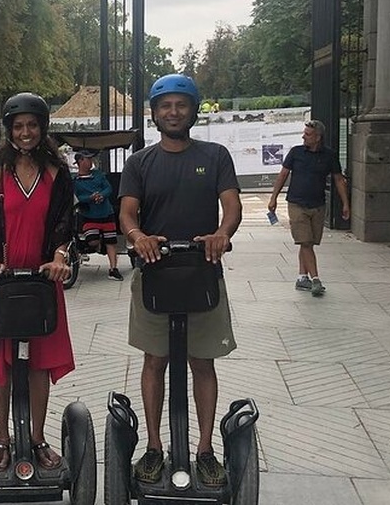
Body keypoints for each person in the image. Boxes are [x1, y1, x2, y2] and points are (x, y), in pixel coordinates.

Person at [118, 74, 242, 487]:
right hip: (155, 275)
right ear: (154, 114)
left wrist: (223, 233)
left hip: (202, 272)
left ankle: (205, 450)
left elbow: (231, 206)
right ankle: (154, 447)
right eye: (165, 106)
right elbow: (128, 213)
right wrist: (137, 237)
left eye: (181, 105)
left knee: (202, 363)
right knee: (154, 362)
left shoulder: (216, 154)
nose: (173, 112)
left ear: (193, 110)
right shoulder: (139, 162)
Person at [0, 92, 75, 471]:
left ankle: (36, 438)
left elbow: (64, 222)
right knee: (1, 362)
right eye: (19, 126)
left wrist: (60, 257)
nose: (26, 132)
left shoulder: (56, 172)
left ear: (42, 128)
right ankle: (1, 436)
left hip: (42, 279)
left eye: (32, 125)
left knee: (39, 363)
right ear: (9, 129)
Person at [267, 119, 350, 297]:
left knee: (309, 244)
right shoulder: (296, 152)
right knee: (305, 242)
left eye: (308, 134)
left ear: (318, 137)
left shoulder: (330, 155)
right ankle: (316, 279)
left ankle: (302, 277)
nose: (303, 136)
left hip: (318, 205)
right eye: (304, 133)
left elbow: (338, 179)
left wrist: (345, 203)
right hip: (297, 203)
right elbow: (283, 175)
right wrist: (274, 197)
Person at [73, 150, 123, 280]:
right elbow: (76, 197)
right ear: (80, 162)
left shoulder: (98, 175)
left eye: (91, 159)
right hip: (89, 215)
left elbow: (108, 188)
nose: (91, 162)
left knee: (111, 242)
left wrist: (102, 195)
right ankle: (99, 245)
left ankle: (113, 269)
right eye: (87, 159)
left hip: (106, 212)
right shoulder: (75, 180)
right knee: (93, 240)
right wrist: (90, 198)